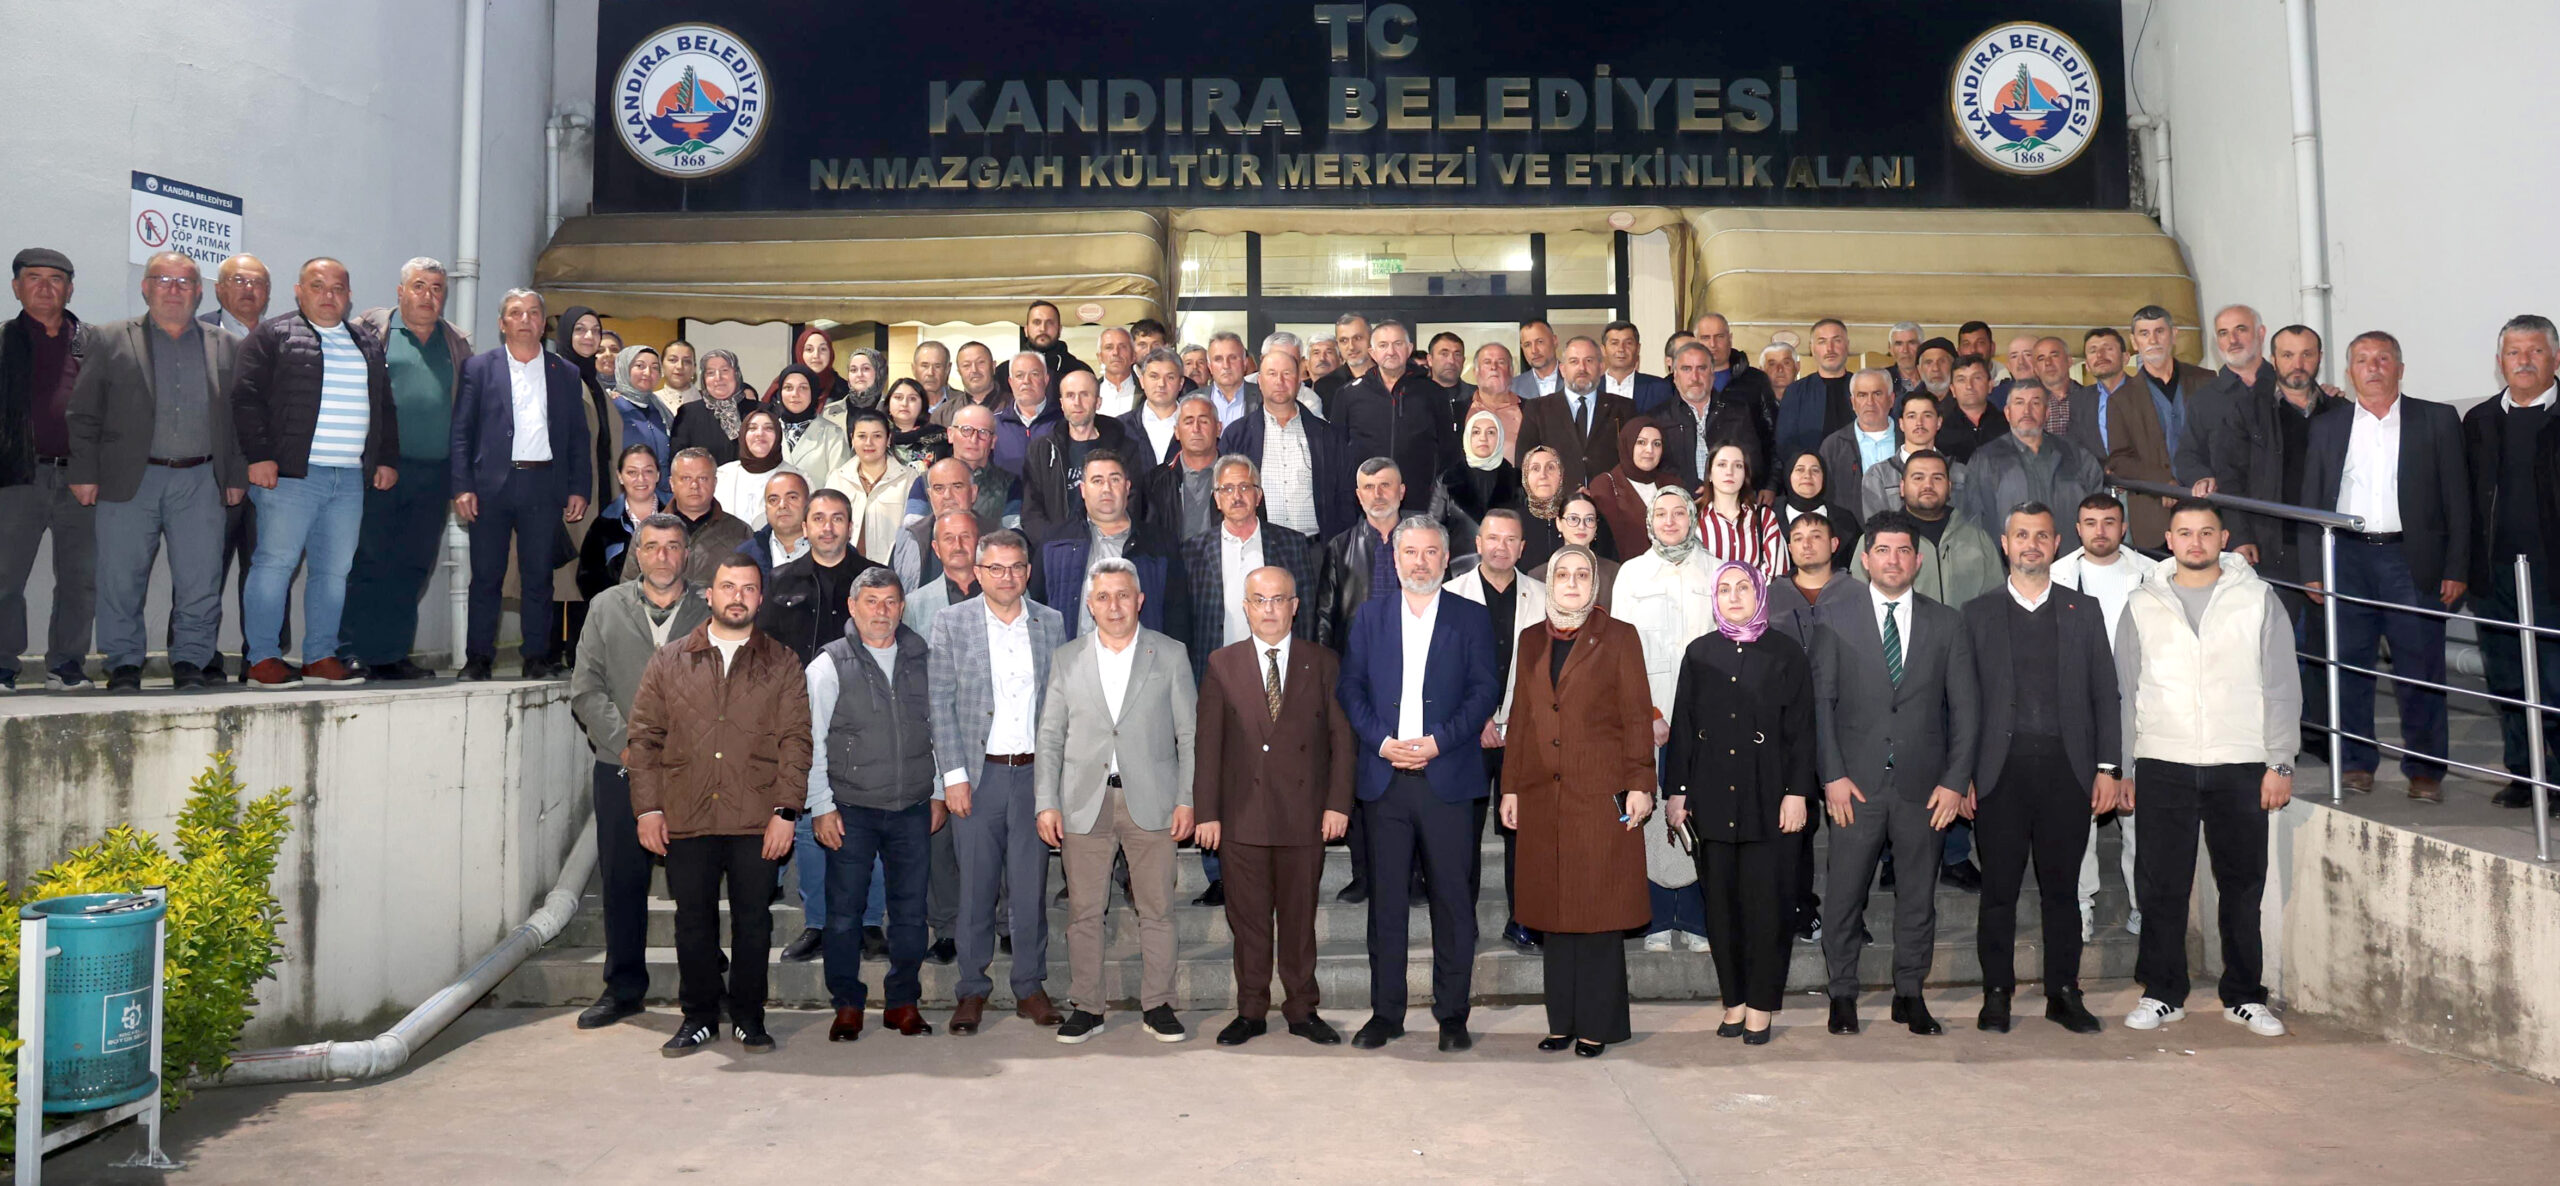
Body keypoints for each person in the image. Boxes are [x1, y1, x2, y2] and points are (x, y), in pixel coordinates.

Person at [2115, 500, 2299, 1037]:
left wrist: (2280, 762)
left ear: (2223, 538)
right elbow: (2126, 692)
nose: (2195, 542)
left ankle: (2243, 996)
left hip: (2239, 762)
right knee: (2160, 886)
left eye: (2205, 532)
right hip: (2162, 762)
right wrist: (2124, 767)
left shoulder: (2259, 599)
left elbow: (2282, 686)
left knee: (2242, 886)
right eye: (2184, 533)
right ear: (2169, 540)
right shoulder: (2141, 602)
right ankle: (2161, 993)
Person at [624, 554, 811, 1056]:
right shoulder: (670, 660)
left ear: (760, 598)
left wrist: (786, 811)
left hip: (757, 817)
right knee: (692, 920)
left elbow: (796, 740)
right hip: (687, 813)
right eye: (728, 587)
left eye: (748, 589)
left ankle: (749, 1016)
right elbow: (644, 738)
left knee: (754, 922)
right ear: (709, 594)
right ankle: (700, 1015)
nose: (737, 597)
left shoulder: (782, 661)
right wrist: (648, 809)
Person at [1337, 515, 1501, 1052]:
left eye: (1431, 552)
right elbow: (1350, 688)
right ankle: (1386, 1014)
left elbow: (1484, 691)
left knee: (1453, 903)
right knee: (1386, 904)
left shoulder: (1470, 617)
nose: (1420, 561)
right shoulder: (1370, 616)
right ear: (1396, 558)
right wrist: (1382, 742)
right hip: (1385, 780)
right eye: (1411, 551)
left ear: (1446, 559)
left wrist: (1438, 742)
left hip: (1446, 777)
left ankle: (1452, 1015)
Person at [1815, 511, 1979, 1037]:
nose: (1893, 560)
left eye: (1904, 550)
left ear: (1918, 560)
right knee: (1844, 895)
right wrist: (1831, 776)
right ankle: (1842, 993)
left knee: (1918, 898)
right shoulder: (1833, 618)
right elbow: (1821, 705)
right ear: (1865, 559)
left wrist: (1955, 781)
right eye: (1883, 550)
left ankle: (1910, 993)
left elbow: (1966, 710)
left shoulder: (1947, 623)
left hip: (1924, 788)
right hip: (1854, 786)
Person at [1963, 503, 2121, 1034]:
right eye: (2021, 535)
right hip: (1998, 775)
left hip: (2067, 773)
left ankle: (2063, 992)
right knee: (1998, 892)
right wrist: (1961, 775)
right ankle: (1997, 993)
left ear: (2056, 545)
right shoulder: (1977, 613)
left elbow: (2105, 693)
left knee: (2062, 891)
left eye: (2041, 536)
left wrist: (2108, 768)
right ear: (2005, 543)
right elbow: (1962, 702)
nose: (2031, 544)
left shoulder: (2084, 610)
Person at [1031, 558, 1197, 1043]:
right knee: (1084, 913)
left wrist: (1187, 799)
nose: (1114, 605)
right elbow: (1050, 737)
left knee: (1157, 910)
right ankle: (1087, 1006)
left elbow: (1190, 735)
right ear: (1090, 604)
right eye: (1103, 596)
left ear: (1139, 600)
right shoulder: (1068, 658)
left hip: (1154, 802)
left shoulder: (1170, 654)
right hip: (1085, 802)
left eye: (1123, 595)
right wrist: (1046, 801)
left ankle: (1159, 1004)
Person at [1497, 544, 1653, 1055]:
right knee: (1554, 912)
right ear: (1550, 583)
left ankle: (1597, 1024)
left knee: (1598, 913)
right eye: (1561, 574)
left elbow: (1636, 716)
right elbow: (1522, 718)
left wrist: (1641, 784)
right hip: (1543, 796)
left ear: (1594, 584)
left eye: (1581, 574)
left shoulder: (1619, 637)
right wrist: (1511, 786)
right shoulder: (1530, 639)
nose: (1570, 582)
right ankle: (1561, 1021)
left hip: (1599, 795)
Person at [2302, 331, 2469, 802]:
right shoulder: (2328, 426)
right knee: (2349, 666)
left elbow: (2459, 498)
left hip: (2410, 558)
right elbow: (2311, 497)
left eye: (2382, 358)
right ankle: (2356, 763)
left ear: (2400, 368)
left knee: (2420, 667)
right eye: (2362, 360)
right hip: (2346, 558)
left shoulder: (2436, 419)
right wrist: (2313, 566)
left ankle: (2426, 771)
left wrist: (2457, 565)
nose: (2372, 367)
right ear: (2349, 372)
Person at [64, 250, 242, 691]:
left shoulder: (225, 345)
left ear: (199, 292)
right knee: (120, 578)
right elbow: (83, 412)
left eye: (184, 282)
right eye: (163, 280)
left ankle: (191, 661)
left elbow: (238, 419)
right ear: (145, 288)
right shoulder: (110, 338)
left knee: (201, 579)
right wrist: (83, 472)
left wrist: (236, 476)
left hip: (201, 480)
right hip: (129, 479)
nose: (174, 289)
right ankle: (123, 663)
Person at [1196, 565, 1355, 1045]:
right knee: (1249, 924)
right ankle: (1251, 1010)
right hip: (1242, 817)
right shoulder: (1222, 663)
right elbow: (1208, 746)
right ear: (1245, 607)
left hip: (1304, 816)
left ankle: (1302, 1009)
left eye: (1279, 599)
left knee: (1299, 921)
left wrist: (1338, 804)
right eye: (1260, 600)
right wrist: (1207, 813)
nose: (1269, 609)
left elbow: (1342, 741)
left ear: (1295, 606)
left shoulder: (1322, 662)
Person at [229, 257, 400, 689]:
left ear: (349, 295)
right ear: (298, 291)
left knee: (333, 572)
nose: (329, 296)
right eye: (318, 286)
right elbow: (245, 398)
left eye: (338, 288)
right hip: (292, 477)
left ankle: (320, 656)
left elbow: (383, 406)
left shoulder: (366, 343)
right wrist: (259, 456)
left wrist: (385, 458)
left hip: (348, 479)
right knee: (274, 564)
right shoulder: (273, 335)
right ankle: (262, 658)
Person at [1665, 559, 1815, 1044]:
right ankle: (1733, 1001)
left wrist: (1797, 792)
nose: (1733, 596)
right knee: (1722, 911)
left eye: (1743, 588)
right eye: (1724, 589)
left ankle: (1761, 1006)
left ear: (1759, 594)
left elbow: (1802, 731)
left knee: (1766, 910)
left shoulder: (1786, 653)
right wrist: (1677, 791)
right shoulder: (1700, 653)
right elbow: (1684, 726)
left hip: (1770, 800)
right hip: (1712, 801)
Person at [567, 513, 707, 1029]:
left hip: (693, 772)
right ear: (638, 554)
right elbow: (586, 689)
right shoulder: (605, 607)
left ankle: (705, 986)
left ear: (686, 554)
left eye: (672, 547)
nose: (662, 556)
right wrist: (631, 747)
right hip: (621, 767)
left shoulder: (710, 610)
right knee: (623, 882)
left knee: (696, 885)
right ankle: (623, 988)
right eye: (652, 547)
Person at [928, 529, 1068, 1034]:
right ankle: (972, 989)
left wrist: (1055, 783)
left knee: (1029, 889)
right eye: (995, 567)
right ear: (978, 572)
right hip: (977, 775)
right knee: (975, 889)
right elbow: (939, 702)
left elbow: (1060, 704)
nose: (1006, 576)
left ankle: (1029, 986)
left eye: (1016, 567)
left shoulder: (1051, 622)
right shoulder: (952, 622)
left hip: (1033, 775)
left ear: (1028, 572)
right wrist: (953, 777)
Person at [805, 565, 942, 1043]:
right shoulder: (829, 665)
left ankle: (902, 1002)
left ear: (902, 608)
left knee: (910, 915)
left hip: (912, 807)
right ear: (853, 606)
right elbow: (811, 741)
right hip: (851, 809)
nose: (881, 612)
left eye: (890, 602)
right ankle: (847, 1003)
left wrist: (938, 791)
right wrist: (821, 805)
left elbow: (938, 729)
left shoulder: (924, 658)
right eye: (871, 602)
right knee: (844, 914)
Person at [448, 288, 589, 682]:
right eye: (515, 312)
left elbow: (578, 437)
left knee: (538, 576)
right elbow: (461, 432)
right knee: (486, 575)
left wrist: (579, 487)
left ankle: (536, 657)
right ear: (502, 323)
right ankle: (478, 659)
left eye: (533, 313)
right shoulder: (479, 368)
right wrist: (461, 486)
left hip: (543, 484)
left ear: (543, 324)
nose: (525, 319)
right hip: (490, 486)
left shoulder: (565, 372)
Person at [341, 259, 470, 680]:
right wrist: (375, 457)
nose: (428, 296)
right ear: (401, 292)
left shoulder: (456, 343)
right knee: (369, 559)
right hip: (381, 469)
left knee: (413, 565)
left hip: (434, 475)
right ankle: (352, 649)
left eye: (436, 288)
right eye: (419, 286)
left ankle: (392, 653)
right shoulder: (370, 333)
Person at [1612, 490, 1721, 953]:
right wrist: (1648, 714)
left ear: (1693, 519)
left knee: (1700, 815)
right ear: (1649, 521)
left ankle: (1696, 920)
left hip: (1707, 719)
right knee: (1653, 820)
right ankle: (1657, 919)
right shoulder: (1632, 574)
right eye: (1662, 513)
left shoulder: (1717, 570)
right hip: (1651, 718)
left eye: (1680, 513)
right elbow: (1621, 651)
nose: (1671, 521)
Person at [2463, 315, 2560, 808]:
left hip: (2553, 577)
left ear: (2556, 358)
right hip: (2495, 575)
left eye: (2535, 351)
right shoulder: (2479, 421)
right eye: (2514, 352)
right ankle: (2525, 775)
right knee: (2508, 681)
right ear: (2500, 362)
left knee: (2556, 683)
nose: (2524, 361)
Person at [1447, 508, 1547, 950]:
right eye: (1493, 538)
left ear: (1522, 548)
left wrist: (1514, 721)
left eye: (1510, 540)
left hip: (1524, 732)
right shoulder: (1451, 595)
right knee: (1462, 833)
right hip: (1468, 733)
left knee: (1522, 831)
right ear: (1478, 543)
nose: (1501, 547)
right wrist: (1481, 719)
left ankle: (1522, 918)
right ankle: (1461, 922)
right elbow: (1445, 669)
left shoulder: (1543, 597)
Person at [2049, 492, 2144, 940]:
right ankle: (2081, 905)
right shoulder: (2055, 576)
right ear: (2077, 529)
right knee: (2077, 817)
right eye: (2090, 522)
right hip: (2078, 709)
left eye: (2109, 522)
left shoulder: (2152, 574)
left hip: (2139, 705)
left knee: (2139, 817)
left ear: (2123, 528)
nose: (2100, 531)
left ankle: (2143, 907)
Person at [0, 247, 92, 692]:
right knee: (4, 576)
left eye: (55, 279)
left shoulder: (93, 343)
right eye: (33, 277)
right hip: (17, 476)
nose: (44, 287)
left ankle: (67, 665)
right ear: (16, 287)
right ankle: (2, 664)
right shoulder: (3, 341)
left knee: (80, 579)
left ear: (69, 290)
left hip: (82, 479)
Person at [1765, 509, 1848, 942]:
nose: (1806, 543)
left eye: (1815, 535)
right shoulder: (1770, 595)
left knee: (1849, 827)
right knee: (1797, 822)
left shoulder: (1857, 593)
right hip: (1789, 726)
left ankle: (1849, 915)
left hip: (1848, 723)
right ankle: (1801, 905)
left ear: (1833, 545)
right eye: (1797, 537)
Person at [200, 254, 275, 681]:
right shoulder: (195, 334)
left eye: (257, 282)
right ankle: (196, 657)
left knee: (268, 571)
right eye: (238, 280)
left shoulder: (282, 337)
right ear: (218, 288)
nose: (249, 289)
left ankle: (261, 658)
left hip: (272, 479)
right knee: (202, 571)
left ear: (268, 293)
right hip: (211, 475)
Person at [1181, 454, 1320, 682]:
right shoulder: (1193, 551)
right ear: (1216, 499)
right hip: (1214, 673)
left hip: (1277, 672)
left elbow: (1305, 614)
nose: (1236, 496)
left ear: (1259, 496)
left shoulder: (1291, 544)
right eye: (1227, 489)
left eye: (1245, 487)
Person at [1029, 450, 1190, 644]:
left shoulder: (1160, 544)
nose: (1106, 488)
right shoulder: (1054, 542)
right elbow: (1035, 610)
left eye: (1114, 480)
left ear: (1127, 487)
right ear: (1083, 489)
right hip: (1070, 659)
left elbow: (1178, 618)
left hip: (1143, 659)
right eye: (1097, 481)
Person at [1217, 349, 1352, 542]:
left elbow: (1345, 497)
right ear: (1259, 382)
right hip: (1258, 545)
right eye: (1272, 374)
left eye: (1287, 373)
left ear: (1299, 381)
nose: (1279, 381)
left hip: (1315, 547)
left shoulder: (1328, 436)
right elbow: (1223, 493)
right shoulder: (1237, 435)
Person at [2106, 306, 2215, 545]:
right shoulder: (2121, 400)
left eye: (2159, 331)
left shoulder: (2206, 381)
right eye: (2144, 334)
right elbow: (2119, 460)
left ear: (2173, 335)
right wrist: (2162, 482)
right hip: (2155, 517)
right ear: (2134, 342)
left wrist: (2207, 476)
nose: (2153, 340)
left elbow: (2224, 441)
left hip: (2209, 507)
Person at [550, 307, 622, 662]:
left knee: (585, 575)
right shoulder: (555, 377)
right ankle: (548, 652)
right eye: (580, 329)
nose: (589, 337)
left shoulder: (596, 384)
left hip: (599, 492)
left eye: (595, 330)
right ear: (565, 334)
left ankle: (577, 653)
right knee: (560, 576)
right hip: (569, 493)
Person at [757, 483, 885, 663]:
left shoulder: (878, 580)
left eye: (837, 519)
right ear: (805, 528)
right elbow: (764, 644)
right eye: (818, 519)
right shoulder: (781, 580)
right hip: (797, 679)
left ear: (850, 528)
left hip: (861, 679)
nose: (827, 528)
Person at [1335, 320, 1449, 516]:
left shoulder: (1434, 393)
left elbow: (1448, 451)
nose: (1391, 351)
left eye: (1398, 344)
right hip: (1366, 507)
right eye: (1383, 345)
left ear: (1409, 348)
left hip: (1419, 505)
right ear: (1372, 352)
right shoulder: (1348, 394)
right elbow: (1337, 453)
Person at [1859, 451, 2001, 607]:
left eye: (1937, 478)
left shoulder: (1978, 539)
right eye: (1918, 478)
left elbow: (1996, 603)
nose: (1928, 485)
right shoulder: (1876, 539)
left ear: (1949, 487)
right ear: (1902, 487)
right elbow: (1858, 602)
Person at [1965, 385, 2106, 536]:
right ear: (2007, 413)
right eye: (2019, 403)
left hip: (2070, 549)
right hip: (2007, 551)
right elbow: (1974, 522)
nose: (2027, 411)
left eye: (2035, 403)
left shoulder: (2077, 456)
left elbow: (2098, 513)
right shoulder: (1985, 460)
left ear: (2047, 413)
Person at [1020, 369, 1135, 542]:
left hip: (1110, 545)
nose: (1077, 402)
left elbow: (1133, 500)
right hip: (1057, 546)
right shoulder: (1041, 450)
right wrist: (1054, 545)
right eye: (1070, 395)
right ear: (1061, 403)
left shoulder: (1123, 448)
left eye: (1084, 395)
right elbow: (1031, 511)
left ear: (1098, 402)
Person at [1314, 458, 1410, 656]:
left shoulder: (1423, 543)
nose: (1377, 494)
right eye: (1369, 487)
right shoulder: (1339, 547)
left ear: (1401, 492)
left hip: (1411, 654)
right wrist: (1325, 666)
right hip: (1357, 658)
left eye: (1385, 485)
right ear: (1359, 496)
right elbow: (1324, 617)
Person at [1517, 336, 1637, 494]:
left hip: (1609, 503)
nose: (1582, 368)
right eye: (1574, 361)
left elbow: (1632, 463)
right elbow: (1524, 464)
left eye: (1589, 361)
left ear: (1601, 367)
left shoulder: (1624, 408)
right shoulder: (1537, 409)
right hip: (1557, 503)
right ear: (1562, 369)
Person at [627, 448, 753, 586]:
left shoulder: (740, 532)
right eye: (686, 478)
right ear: (672, 483)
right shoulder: (647, 531)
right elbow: (628, 589)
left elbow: (751, 584)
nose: (694, 485)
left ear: (715, 483)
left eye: (702, 478)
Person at [1660, 341, 1773, 490]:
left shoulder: (1738, 412)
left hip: (1730, 498)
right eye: (1686, 369)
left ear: (1712, 374)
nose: (1695, 377)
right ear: (1675, 375)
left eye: (1702, 368)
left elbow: (1753, 464)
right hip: (1679, 500)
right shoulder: (1659, 418)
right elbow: (1657, 469)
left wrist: (1717, 490)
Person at [820, 409, 917, 565]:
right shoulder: (838, 478)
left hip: (890, 569)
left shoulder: (909, 478)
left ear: (888, 439)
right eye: (862, 436)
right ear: (852, 439)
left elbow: (914, 531)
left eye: (877, 436)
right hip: (844, 568)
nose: (868, 443)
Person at [906, 403, 1020, 532]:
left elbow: (1014, 535)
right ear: (950, 434)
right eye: (966, 430)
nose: (974, 439)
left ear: (993, 441)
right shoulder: (925, 482)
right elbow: (912, 533)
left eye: (983, 432)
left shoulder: (1010, 484)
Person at [1860, 391, 1970, 515]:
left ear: (1939, 422)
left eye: (1927, 415)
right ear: (1901, 424)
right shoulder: (1878, 475)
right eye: (1911, 416)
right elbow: (1876, 524)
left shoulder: (1960, 473)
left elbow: (1970, 520)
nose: (1919, 423)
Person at [1816, 369, 1898, 525]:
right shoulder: (1833, 446)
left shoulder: (1909, 440)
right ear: (1853, 402)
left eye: (1877, 394)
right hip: (1851, 536)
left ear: (1891, 399)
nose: (1870, 402)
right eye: (1862, 395)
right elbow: (1824, 499)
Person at [580, 445, 663, 599]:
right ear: (620, 477)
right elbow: (588, 579)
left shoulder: (676, 517)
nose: (641, 478)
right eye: (632, 472)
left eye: (648, 471)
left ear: (658, 475)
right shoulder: (603, 525)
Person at [1696, 441, 1787, 579]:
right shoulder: (1692, 518)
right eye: (1722, 464)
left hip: (1758, 593)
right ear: (1709, 474)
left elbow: (1777, 575)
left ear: (1745, 475)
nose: (1729, 472)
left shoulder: (1764, 518)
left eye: (1738, 466)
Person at [1140, 394, 1223, 541]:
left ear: (1218, 428)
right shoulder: (1156, 481)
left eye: (1203, 421)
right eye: (1188, 422)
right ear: (1177, 432)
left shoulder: (1238, 479)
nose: (1196, 429)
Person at [1585, 418, 1672, 558]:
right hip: (1623, 569)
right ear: (1627, 444)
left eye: (1656, 444)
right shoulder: (1605, 485)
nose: (1649, 450)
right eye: (1641, 442)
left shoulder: (1672, 484)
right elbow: (1606, 543)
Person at [1774, 318, 1855, 462]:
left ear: (1847, 345)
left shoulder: (1862, 388)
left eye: (1836, 340)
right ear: (1812, 348)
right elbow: (1785, 443)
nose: (1830, 348)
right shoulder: (1796, 392)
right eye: (1822, 341)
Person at [669, 347, 759, 465]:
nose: (718, 378)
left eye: (725, 370)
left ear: (737, 374)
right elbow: (678, 462)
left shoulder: (760, 412)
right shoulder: (688, 414)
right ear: (703, 378)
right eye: (710, 373)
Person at [712, 409, 792, 532]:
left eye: (769, 428)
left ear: (778, 436)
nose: (760, 433)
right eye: (752, 428)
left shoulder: (797, 478)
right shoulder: (721, 476)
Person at [769, 364, 852, 482]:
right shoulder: (768, 431)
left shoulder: (833, 433)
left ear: (813, 393)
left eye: (803, 388)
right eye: (788, 387)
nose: (795, 394)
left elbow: (840, 484)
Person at [1533, 492, 1618, 607]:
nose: (1582, 526)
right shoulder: (1538, 576)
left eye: (1589, 519)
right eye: (1573, 519)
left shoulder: (1614, 572)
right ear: (1559, 523)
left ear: (1596, 526)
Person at [1445, 409, 1522, 531]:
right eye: (1476, 432)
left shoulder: (1516, 479)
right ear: (1467, 437)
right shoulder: (1447, 479)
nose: (1483, 438)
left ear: (1500, 438)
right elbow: (1433, 527)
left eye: (1490, 432)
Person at [996, 300, 1092, 395]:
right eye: (1037, 322)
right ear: (1026, 330)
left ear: (1059, 329)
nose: (1043, 328)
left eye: (1049, 323)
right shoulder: (1004, 372)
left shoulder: (1079, 371)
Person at [1777, 449, 1859, 558]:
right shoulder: (1768, 517)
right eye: (1800, 469)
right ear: (1789, 475)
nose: (1807, 475)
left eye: (1815, 470)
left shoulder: (1845, 520)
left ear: (1824, 477)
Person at [993, 349, 1062, 478]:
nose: (1026, 381)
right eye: (1019, 375)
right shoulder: (994, 425)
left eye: (1034, 374)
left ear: (1046, 380)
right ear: (1010, 382)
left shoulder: (1063, 422)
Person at [2067, 326, 2133, 461]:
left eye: (2108, 349)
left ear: (2125, 358)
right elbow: (2076, 450)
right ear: (2087, 365)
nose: (2100, 355)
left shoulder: (2148, 393)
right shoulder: (2079, 401)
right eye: (2093, 351)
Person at [1118, 346, 1188, 470]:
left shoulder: (1194, 426)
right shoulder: (1121, 427)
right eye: (1154, 376)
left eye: (1170, 377)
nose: (1161, 384)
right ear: (1142, 381)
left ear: (1181, 383)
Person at [736, 466, 811, 579]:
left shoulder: (830, 548)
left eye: (792, 497)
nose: (782, 505)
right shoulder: (745, 555)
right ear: (766, 508)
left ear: (808, 503)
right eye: (773, 500)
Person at [609, 351, 673, 479]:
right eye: (640, 366)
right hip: (622, 488)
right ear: (624, 369)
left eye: (655, 367)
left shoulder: (660, 409)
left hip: (663, 489)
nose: (648, 372)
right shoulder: (612, 408)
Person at [1934, 354, 2008, 464]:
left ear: (1990, 385)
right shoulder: (1940, 431)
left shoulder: (2008, 425)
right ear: (1952, 390)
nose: (1969, 386)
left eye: (1977, 378)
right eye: (1961, 380)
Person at [1514, 446, 1574, 568]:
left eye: (1550, 467)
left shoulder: (1578, 517)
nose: (1543, 475)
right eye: (1535, 468)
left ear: (1561, 475)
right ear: (1525, 476)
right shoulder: (1513, 522)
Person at [1464, 342, 1524, 457]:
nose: (1494, 367)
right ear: (1475, 372)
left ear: (1511, 372)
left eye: (1501, 362)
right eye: (1487, 362)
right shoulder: (1458, 411)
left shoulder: (1530, 410)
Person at [774, 328, 849, 414]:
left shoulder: (844, 391)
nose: (816, 355)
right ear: (800, 352)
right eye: (809, 349)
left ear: (831, 353)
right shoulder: (783, 387)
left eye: (823, 349)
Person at [932, 340, 1003, 429]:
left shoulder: (1013, 408)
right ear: (959, 371)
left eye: (980, 362)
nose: (974, 370)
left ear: (993, 366)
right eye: (966, 365)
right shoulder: (943, 415)